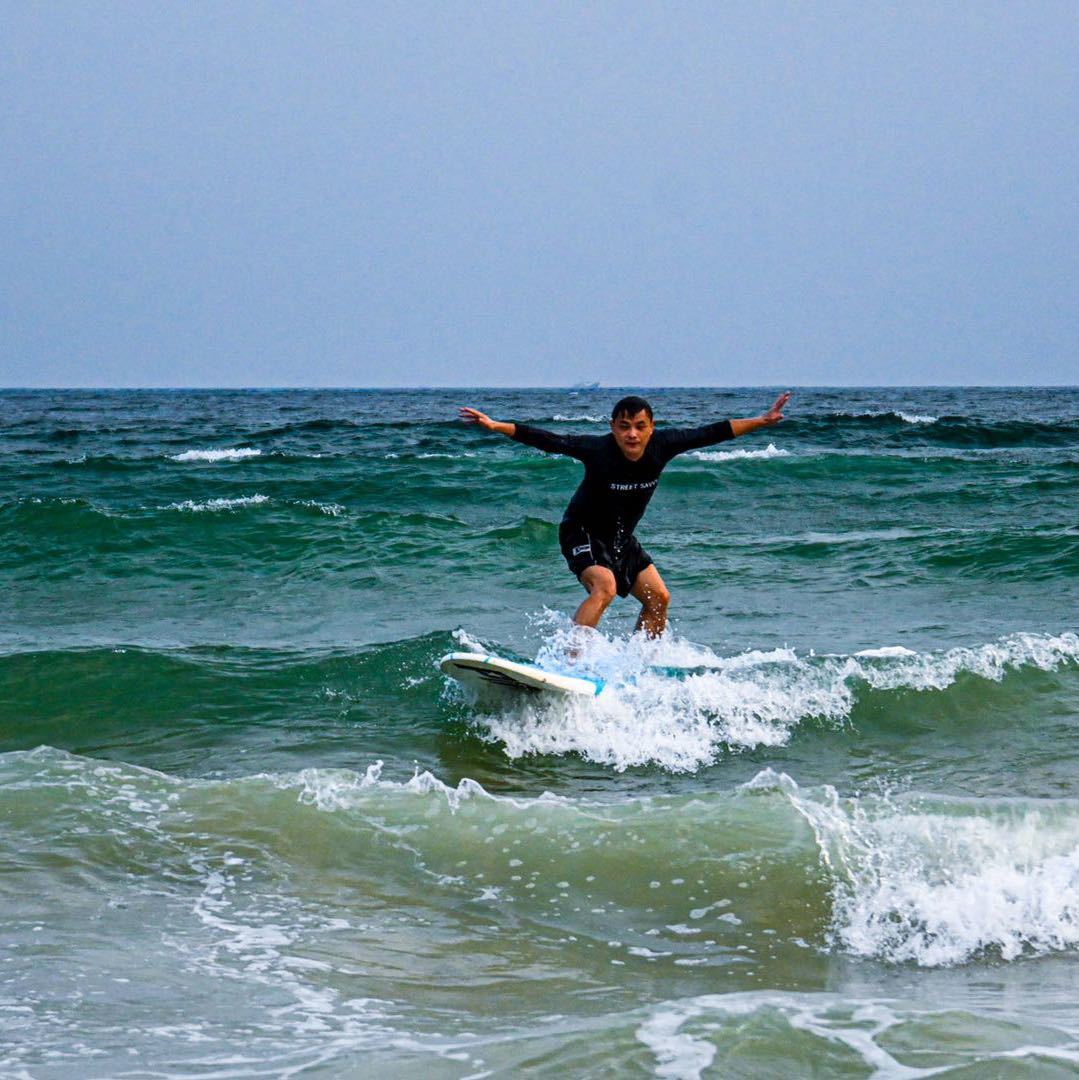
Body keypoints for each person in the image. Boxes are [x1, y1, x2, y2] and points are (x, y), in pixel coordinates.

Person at [458, 392, 790, 637]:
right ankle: (571, 663)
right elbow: (550, 440)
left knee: (659, 598)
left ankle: (639, 663)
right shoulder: (597, 450)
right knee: (604, 585)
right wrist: (496, 425)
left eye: (639, 427)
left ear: (651, 428)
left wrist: (762, 420)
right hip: (582, 531)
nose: (632, 434)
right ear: (613, 428)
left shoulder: (664, 445)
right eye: (624, 426)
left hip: (620, 540)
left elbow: (713, 432)